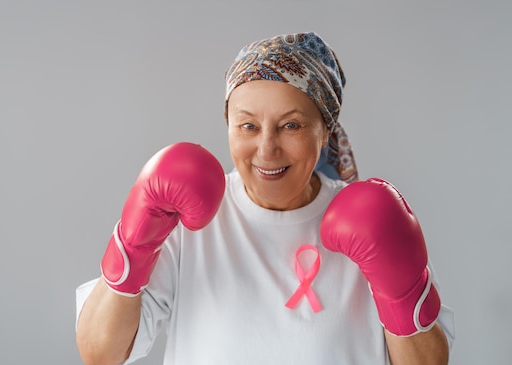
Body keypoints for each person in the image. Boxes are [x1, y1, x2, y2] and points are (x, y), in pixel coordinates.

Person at [75, 32, 455, 364]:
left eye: (291, 125)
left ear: (325, 131)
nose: (267, 148)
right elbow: (100, 353)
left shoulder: (376, 220)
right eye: (248, 126)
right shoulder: (183, 220)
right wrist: (133, 244)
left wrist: (403, 295)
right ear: (228, 125)